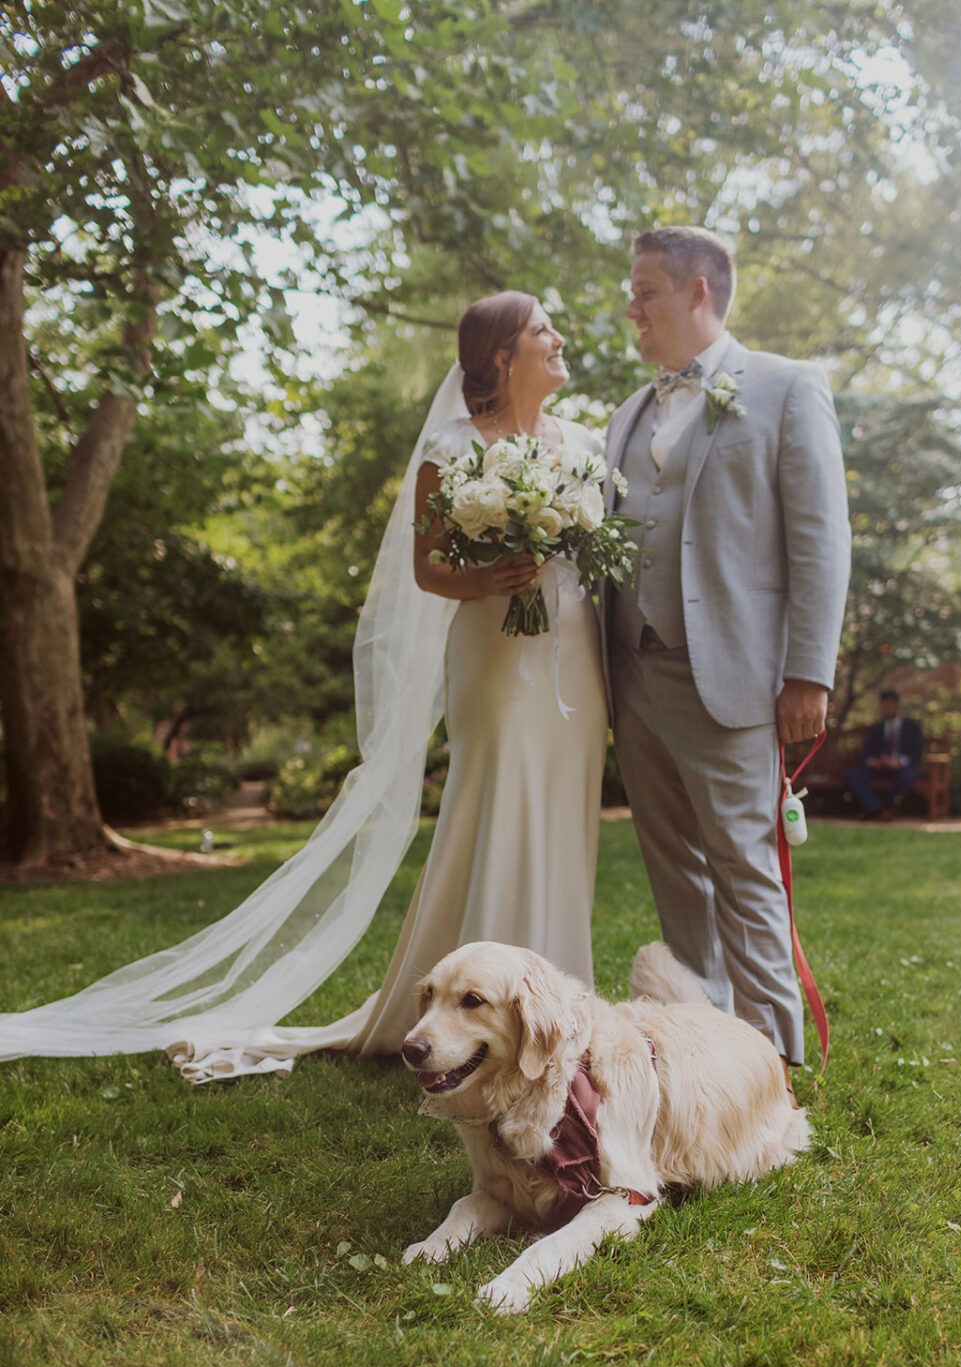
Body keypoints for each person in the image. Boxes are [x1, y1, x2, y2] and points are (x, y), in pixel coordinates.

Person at [0, 294, 607, 1081]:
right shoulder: (451, 446)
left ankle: (558, 1011)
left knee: (564, 814)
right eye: (541, 331)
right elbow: (428, 570)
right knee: (492, 804)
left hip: (573, 660)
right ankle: (481, 1011)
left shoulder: (586, 442)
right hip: (494, 656)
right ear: (500, 355)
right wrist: (488, 575)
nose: (558, 340)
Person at [601, 225, 851, 1102]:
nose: (630, 308)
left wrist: (807, 674)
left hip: (736, 677)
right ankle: (704, 1050)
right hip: (634, 675)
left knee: (743, 866)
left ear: (698, 290)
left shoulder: (785, 388)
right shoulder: (626, 412)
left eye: (645, 292)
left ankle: (774, 1062)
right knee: (673, 867)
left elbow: (821, 542)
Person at [845, 690, 923, 821]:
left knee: (905, 776)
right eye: (885, 706)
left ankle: (882, 808)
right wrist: (873, 761)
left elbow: (917, 752)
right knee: (852, 775)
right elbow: (867, 753)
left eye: (890, 705)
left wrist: (899, 761)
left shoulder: (912, 727)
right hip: (880, 768)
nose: (887, 709)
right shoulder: (877, 728)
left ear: (897, 704)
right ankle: (879, 809)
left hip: (902, 768)